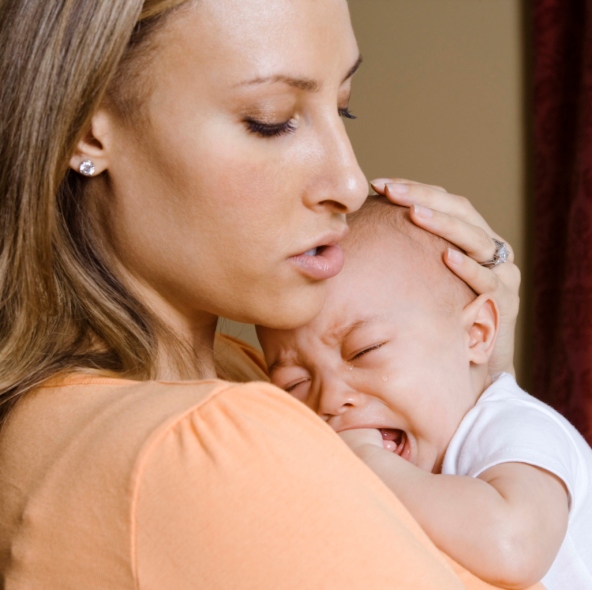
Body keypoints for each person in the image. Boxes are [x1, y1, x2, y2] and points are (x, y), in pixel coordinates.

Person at [0, 0, 538, 588]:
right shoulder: (210, 440)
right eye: (271, 119)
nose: (351, 184)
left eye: (343, 109)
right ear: (87, 130)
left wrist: (472, 376)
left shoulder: (238, 375)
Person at [258, 198, 592, 590]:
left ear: (477, 334)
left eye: (364, 350)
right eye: (294, 383)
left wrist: (369, 462)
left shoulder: (517, 429)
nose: (329, 399)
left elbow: (513, 548)